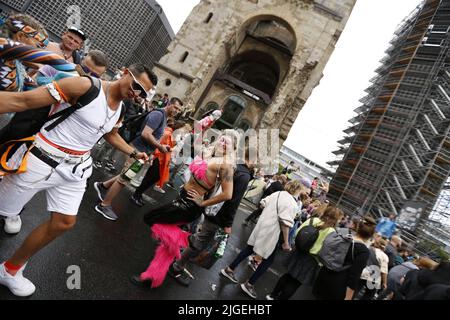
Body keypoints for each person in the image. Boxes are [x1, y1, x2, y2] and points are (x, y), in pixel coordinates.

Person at [0, 63, 155, 297]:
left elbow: (109, 133)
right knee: (2, 209)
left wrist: (132, 152)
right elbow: (24, 101)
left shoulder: (121, 109)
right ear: (124, 73)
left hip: (75, 171)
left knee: (64, 222)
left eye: (142, 93)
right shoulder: (85, 86)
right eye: (136, 85)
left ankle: (9, 270)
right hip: (40, 159)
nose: (136, 93)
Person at [132, 131, 238, 288]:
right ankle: (152, 276)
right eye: (222, 140)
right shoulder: (209, 154)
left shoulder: (226, 165)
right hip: (182, 197)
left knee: (151, 217)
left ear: (233, 148)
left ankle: (184, 239)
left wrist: (203, 203)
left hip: (190, 205)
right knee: (166, 247)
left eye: (227, 143)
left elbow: (228, 194)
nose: (223, 144)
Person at [93, 97, 183, 221]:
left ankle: (102, 186)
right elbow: (146, 134)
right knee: (125, 178)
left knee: (126, 175)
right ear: (169, 104)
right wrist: (160, 147)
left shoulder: (164, 117)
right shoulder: (158, 114)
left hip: (143, 152)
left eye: (179, 110)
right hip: (137, 149)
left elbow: (154, 136)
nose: (177, 111)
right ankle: (104, 205)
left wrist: (155, 150)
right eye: (176, 107)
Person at [220, 181, 303, 299]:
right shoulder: (292, 203)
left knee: (249, 249)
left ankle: (229, 269)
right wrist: (286, 242)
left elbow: (262, 203)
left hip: (261, 226)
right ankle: (249, 284)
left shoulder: (278, 193)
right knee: (268, 260)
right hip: (271, 233)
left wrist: (270, 213)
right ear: (297, 190)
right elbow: (285, 224)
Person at [267, 206, 344, 300]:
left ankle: (272, 296)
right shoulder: (332, 232)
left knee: (287, 276)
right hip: (312, 261)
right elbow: (327, 250)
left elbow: (297, 233)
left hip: (298, 252)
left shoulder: (313, 220)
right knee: (295, 283)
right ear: (335, 219)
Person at [313, 216, 377, 300]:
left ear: (358, 228)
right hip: (338, 286)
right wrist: (348, 297)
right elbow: (354, 276)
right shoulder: (363, 251)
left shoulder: (344, 237)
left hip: (323, 276)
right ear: (370, 236)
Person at [355, 235, 389, 300]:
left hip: (362, 272)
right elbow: (384, 272)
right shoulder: (384, 256)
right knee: (369, 295)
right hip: (374, 277)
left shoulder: (368, 248)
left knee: (355, 290)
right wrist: (384, 283)